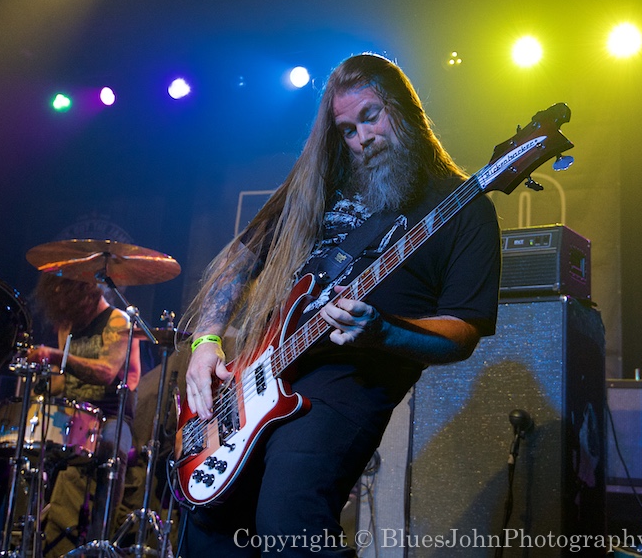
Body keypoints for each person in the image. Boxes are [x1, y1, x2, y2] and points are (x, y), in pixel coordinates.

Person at [181, 53, 502, 556]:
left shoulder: (464, 210)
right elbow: (238, 262)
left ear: (406, 110)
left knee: (289, 520)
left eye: (370, 116)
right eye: (347, 129)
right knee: (211, 522)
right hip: (261, 372)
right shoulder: (320, 183)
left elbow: (463, 331)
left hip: (349, 383)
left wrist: (384, 330)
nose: (361, 139)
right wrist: (205, 343)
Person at [27, 273, 141, 554]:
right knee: (29, 449)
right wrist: (39, 376)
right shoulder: (69, 323)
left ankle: (99, 541)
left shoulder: (118, 320)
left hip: (111, 416)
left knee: (111, 451)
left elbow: (106, 372)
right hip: (73, 416)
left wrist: (56, 356)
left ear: (88, 294)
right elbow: (64, 380)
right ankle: (41, 535)